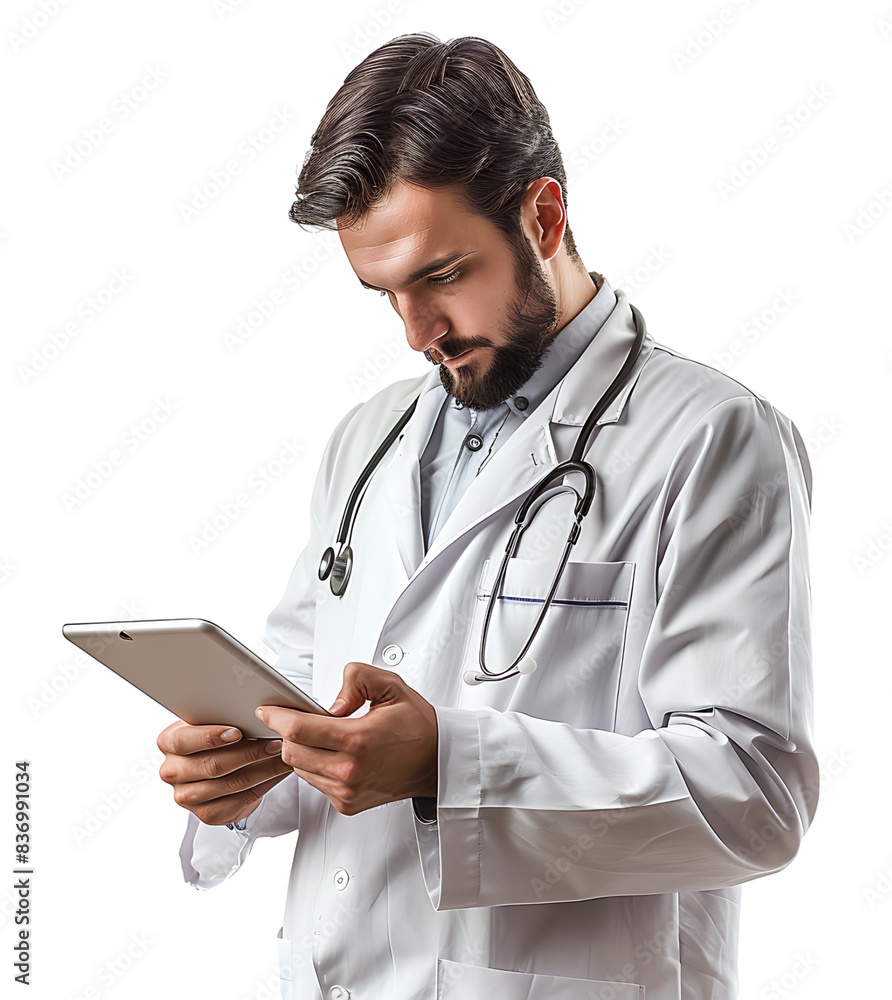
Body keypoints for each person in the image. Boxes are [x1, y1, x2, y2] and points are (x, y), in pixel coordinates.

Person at [157, 33, 817, 1000]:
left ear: (542, 216)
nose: (417, 334)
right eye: (385, 294)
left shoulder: (713, 439)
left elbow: (753, 796)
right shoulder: (369, 438)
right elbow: (307, 685)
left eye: (440, 275)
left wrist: (447, 765)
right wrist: (245, 769)